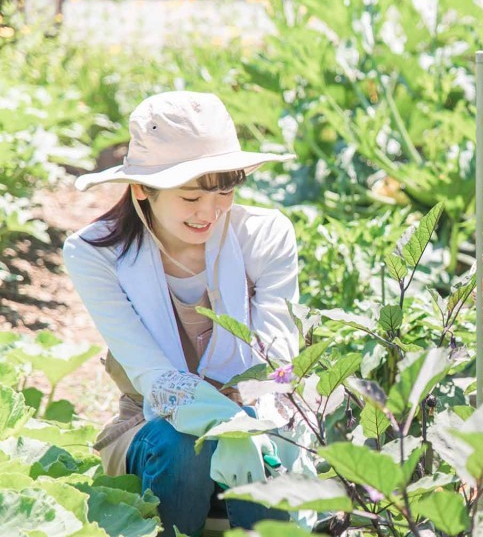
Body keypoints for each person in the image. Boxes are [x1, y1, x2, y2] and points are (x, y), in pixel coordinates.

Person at [64, 91, 313, 535]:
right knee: (182, 446)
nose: (210, 213)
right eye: (191, 198)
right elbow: (151, 374)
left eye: (225, 193)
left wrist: (249, 424)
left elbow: (278, 362)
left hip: (259, 418)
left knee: (267, 439)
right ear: (142, 189)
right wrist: (224, 424)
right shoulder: (95, 253)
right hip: (155, 428)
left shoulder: (264, 236)